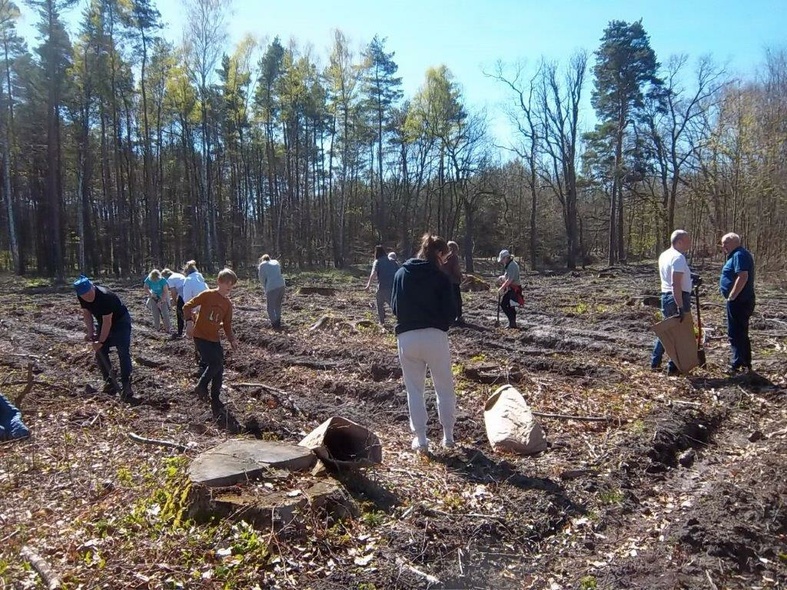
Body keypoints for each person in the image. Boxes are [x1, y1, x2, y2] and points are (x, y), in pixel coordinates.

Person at [391, 233, 458, 453]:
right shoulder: (440, 277)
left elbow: (394, 307)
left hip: (407, 337)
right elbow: (452, 311)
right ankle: (448, 436)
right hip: (434, 335)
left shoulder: (401, 273)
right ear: (438, 254)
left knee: (414, 390)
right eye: (445, 257)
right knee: (444, 387)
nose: (445, 261)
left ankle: (421, 440)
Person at [183, 268, 239, 416]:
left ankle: (215, 397)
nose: (229, 287)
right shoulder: (208, 295)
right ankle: (201, 386)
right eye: (227, 283)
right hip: (200, 336)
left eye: (231, 285)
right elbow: (187, 306)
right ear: (219, 282)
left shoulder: (228, 304)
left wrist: (232, 339)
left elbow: (227, 324)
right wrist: (189, 322)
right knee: (214, 363)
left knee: (219, 368)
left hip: (214, 338)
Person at [74, 275, 134, 401]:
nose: (87, 297)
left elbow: (108, 322)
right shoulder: (81, 296)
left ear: (93, 287)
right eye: (84, 295)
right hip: (103, 321)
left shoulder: (106, 296)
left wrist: (100, 341)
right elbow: (87, 314)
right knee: (100, 352)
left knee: (123, 351)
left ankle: (126, 385)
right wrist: (91, 333)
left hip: (120, 321)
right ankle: (109, 382)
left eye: (88, 293)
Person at [651, 230, 693, 376]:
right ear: (679, 241)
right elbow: (676, 284)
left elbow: (673, 276)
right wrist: (680, 306)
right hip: (677, 297)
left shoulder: (665, 255)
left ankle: (655, 362)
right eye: (687, 241)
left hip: (667, 296)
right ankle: (673, 367)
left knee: (667, 332)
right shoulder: (678, 257)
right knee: (678, 335)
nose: (689, 243)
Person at [719, 232, 755, 374]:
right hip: (739, 300)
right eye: (722, 244)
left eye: (725, 243)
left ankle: (738, 364)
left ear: (734, 242)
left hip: (739, 301)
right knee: (740, 331)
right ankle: (745, 363)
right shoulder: (736, 255)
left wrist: (732, 295)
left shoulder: (739, 255)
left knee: (736, 332)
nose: (723, 247)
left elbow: (743, 276)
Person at [182, 260, 209, 373]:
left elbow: (187, 300)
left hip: (198, 311)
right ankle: (207, 358)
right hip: (209, 310)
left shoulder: (188, 280)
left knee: (198, 335)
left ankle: (203, 361)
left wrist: (189, 316)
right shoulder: (201, 280)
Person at [365, 245, 399, 325]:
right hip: (392, 287)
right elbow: (399, 272)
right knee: (393, 305)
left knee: (379, 304)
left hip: (382, 287)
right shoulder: (392, 261)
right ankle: (401, 319)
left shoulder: (377, 261)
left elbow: (373, 274)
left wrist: (368, 285)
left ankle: (381, 322)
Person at [257, 254, 286, 329]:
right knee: (277, 305)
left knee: (270, 307)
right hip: (282, 285)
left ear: (262, 259)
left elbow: (261, 278)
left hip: (272, 287)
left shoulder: (262, 265)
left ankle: (274, 324)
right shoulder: (276, 262)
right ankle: (278, 321)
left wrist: (265, 287)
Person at [497, 249, 524, 329]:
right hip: (511, 288)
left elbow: (510, 279)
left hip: (514, 289)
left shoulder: (512, 265)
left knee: (505, 304)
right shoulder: (509, 265)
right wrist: (502, 278)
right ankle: (512, 322)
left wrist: (502, 288)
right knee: (509, 305)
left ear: (506, 258)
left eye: (502, 259)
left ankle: (512, 322)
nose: (502, 261)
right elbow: (507, 277)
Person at [441, 240, 463, 324]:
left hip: (444, 281)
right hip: (453, 281)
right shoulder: (454, 257)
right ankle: (458, 316)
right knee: (457, 300)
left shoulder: (443, 257)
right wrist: (460, 276)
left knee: (447, 299)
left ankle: (448, 316)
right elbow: (456, 269)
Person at [144, 269, 172, 334]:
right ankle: (157, 329)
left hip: (163, 295)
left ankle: (168, 328)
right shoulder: (148, 279)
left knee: (165, 313)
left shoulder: (162, 280)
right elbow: (145, 288)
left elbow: (165, 291)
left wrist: (161, 301)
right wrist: (151, 294)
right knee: (155, 313)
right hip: (154, 296)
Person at [161, 268, 186, 338]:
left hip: (184, 295)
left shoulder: (170, 279)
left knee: (179, 312)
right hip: (188, 293)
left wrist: (174, 301)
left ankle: (180, 332)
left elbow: (173, 292)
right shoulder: (178, 275)